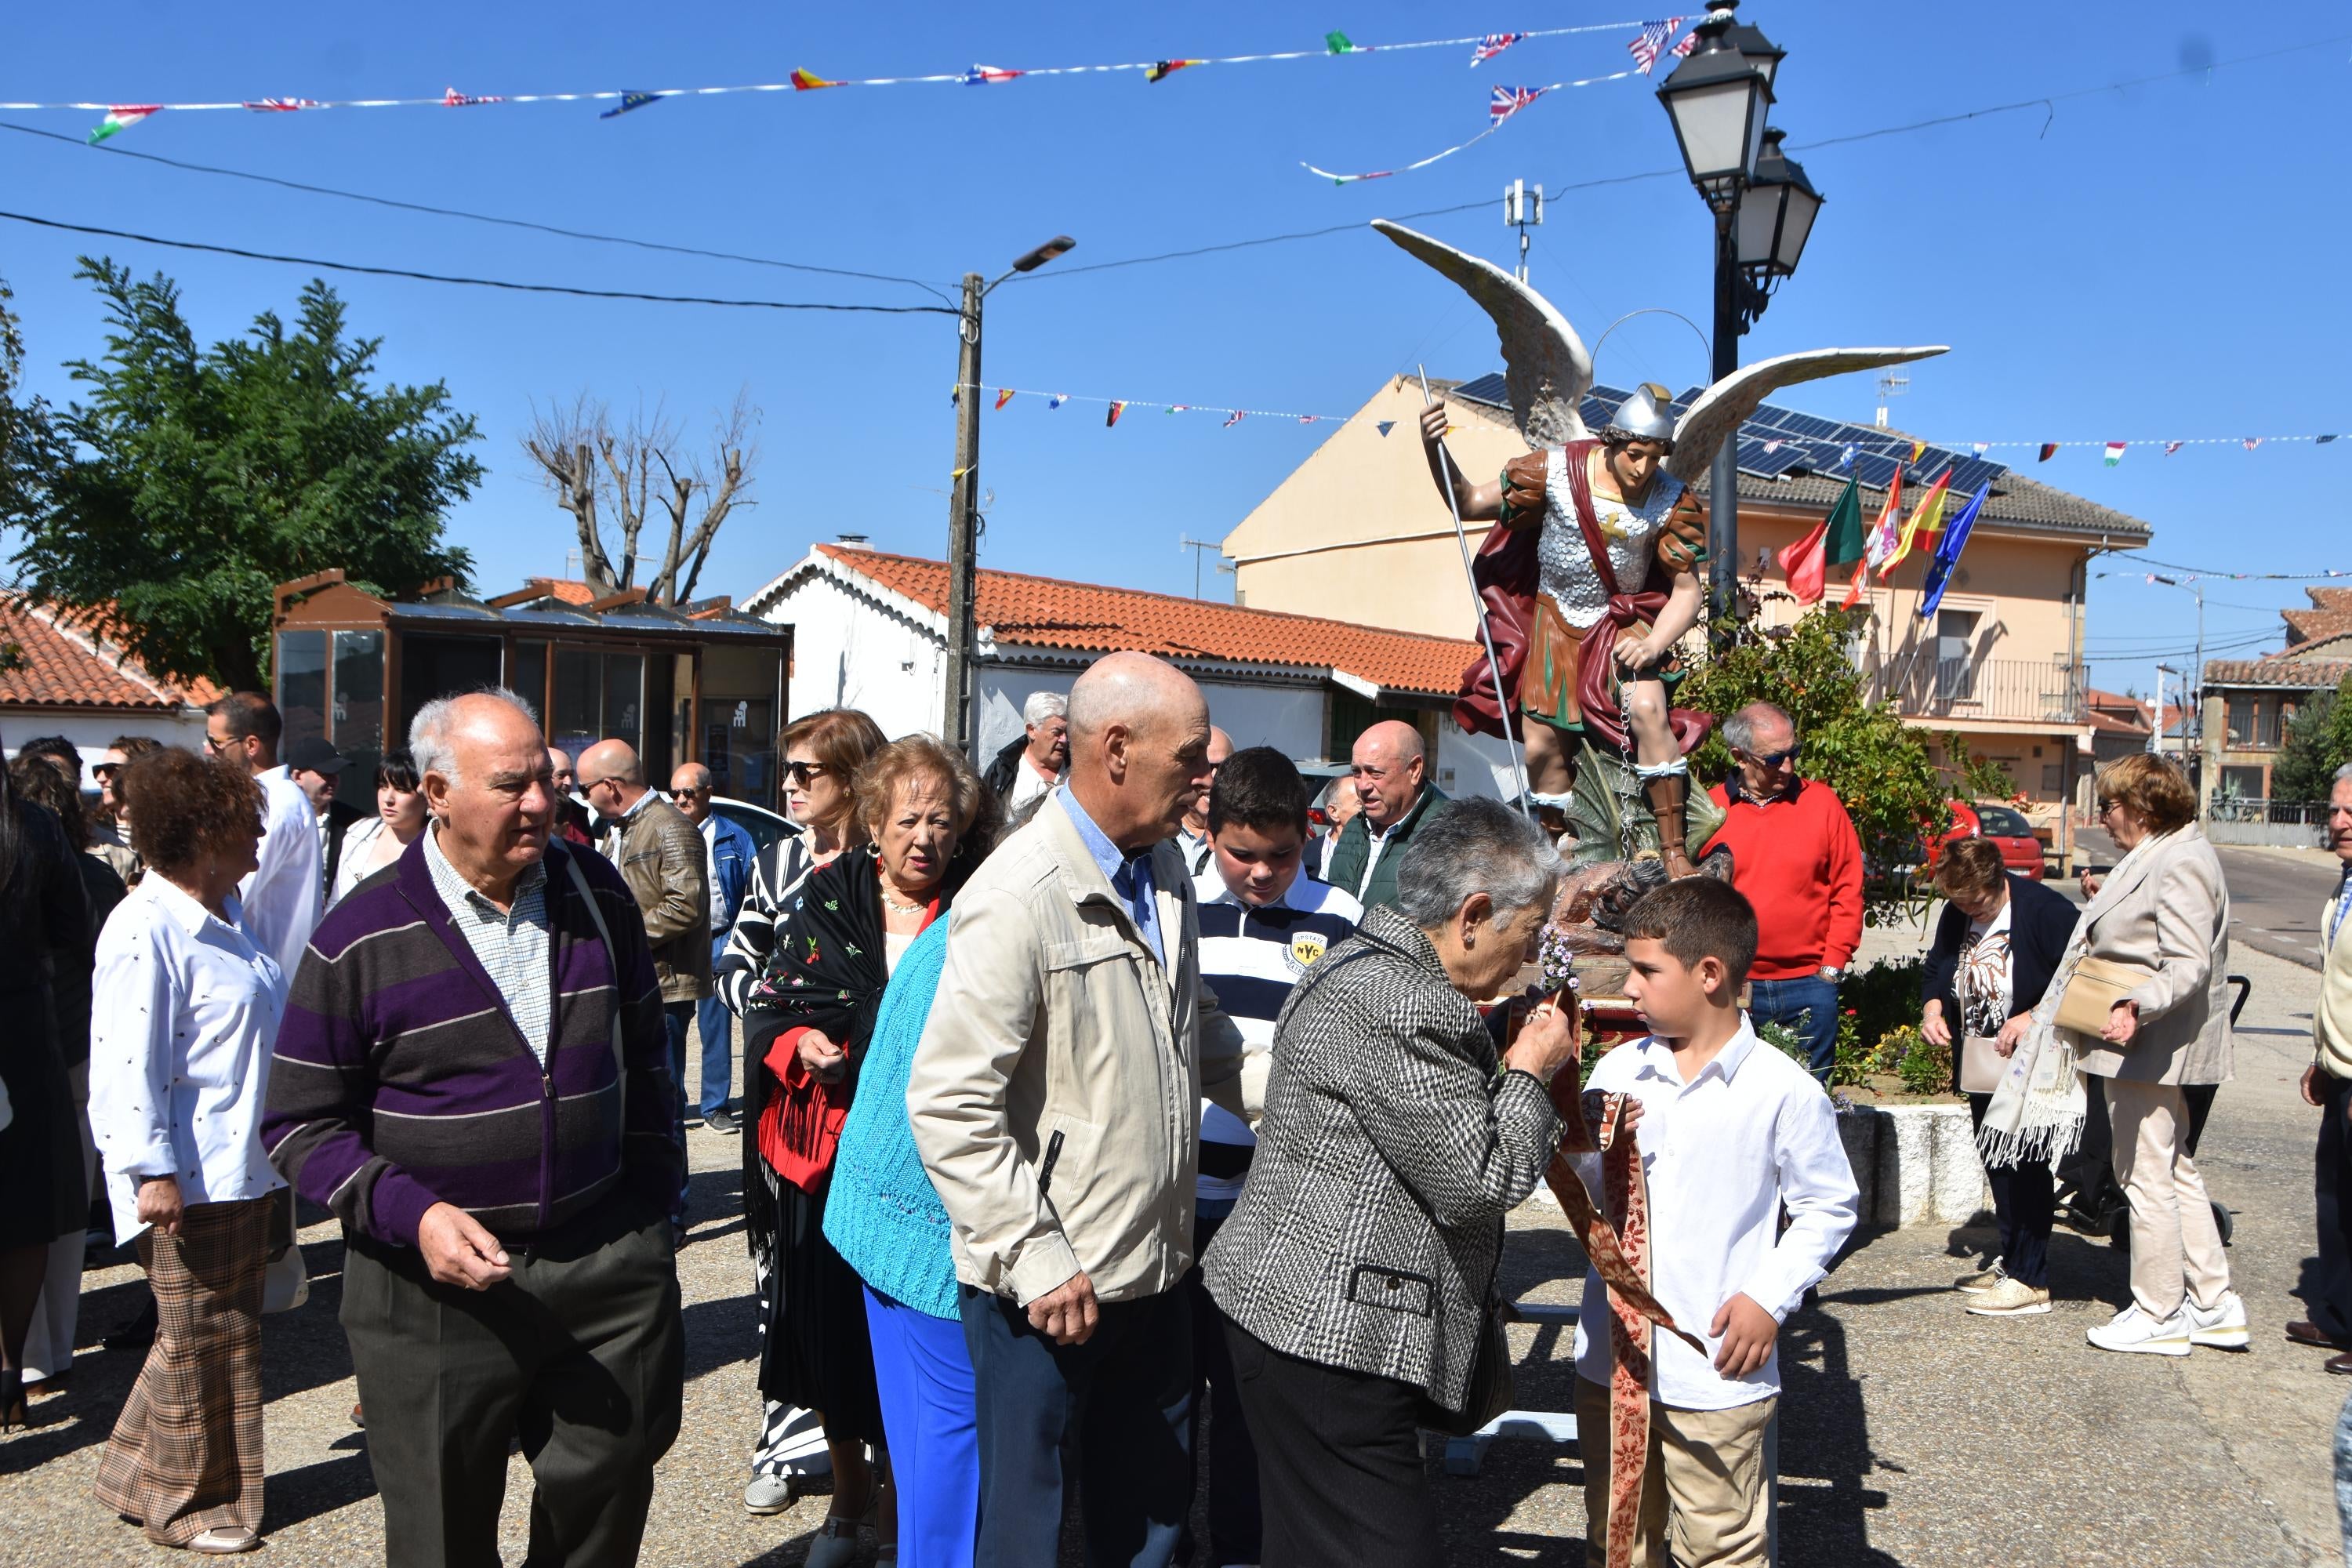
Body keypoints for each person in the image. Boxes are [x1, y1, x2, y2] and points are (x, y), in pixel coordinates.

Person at [263, 689, 684, 1568]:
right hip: (431, 1290)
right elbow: (298, 1122)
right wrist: (412, 1214)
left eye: (544, 779)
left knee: (603, 1508)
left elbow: (647, 1056)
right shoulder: (360, 933)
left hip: (602, 1261)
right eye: (511, 784)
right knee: (440, 1535)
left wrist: (649, 1214)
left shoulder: (595, 891)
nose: (539, 801)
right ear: (438, 792)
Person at [909, 650, 1250, 1568]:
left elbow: (1199, 1024)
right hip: (1049, 1289)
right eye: (1190, 757)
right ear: (1115, 750)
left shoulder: (1163, 863)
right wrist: (1036, 1252)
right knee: (1027, 1529)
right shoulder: (1015, 895)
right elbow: (949, 1100)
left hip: (1156, 1264)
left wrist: (1306, 1093)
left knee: (1149, 1511)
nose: (1205, 777)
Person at [1203, 798, 1573, 1566]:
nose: (1529, 958)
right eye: (1528, 932)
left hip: (1287, 1312)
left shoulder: (1356, 955)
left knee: (1307, 1544)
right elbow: (1482, 1176)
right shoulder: (1407, 1001)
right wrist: (1532, 1070)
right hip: (1332, 1339)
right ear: (1473, 914)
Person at [743, 735, 995, 1566]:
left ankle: (899, 1507)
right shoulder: (830, 894)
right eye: (909, 818)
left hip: (927, 1166)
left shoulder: (980, 904)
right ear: (876, 822)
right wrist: (804, 1041)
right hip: (827, 1160)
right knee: (830, 1338)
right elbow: (773, 1002)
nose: (925, 835)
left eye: (942, 820)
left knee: (920, 1360)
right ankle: (848, 1500)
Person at [1573, 877, 1858, 1568]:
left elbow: (1829, 1205)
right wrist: (1582, 1143)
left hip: (1717, 1369)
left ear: (1710, 974)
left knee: (1722, 1546)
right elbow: (1589, 1201)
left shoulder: (1782, 1088)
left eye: (1645, 971)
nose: (1629, 989)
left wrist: (1770, 1296)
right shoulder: (1617, 1069)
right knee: (1618, 1542)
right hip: (1614, 1361)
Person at [86, 747, 282, 1553]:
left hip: (239, 1164)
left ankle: (136, 1475)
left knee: (204, 1333)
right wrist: (151, 1169)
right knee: (204, 1339)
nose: (260, 845)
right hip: (188, 1174)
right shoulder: (146, 927)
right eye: (247, 830)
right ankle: (189, 1505)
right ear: (205, 835)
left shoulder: (226, 917)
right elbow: (127, 1058)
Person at [1182, 746, 1362, 1568]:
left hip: (1276, 1206)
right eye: (1241, 853)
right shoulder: (1174, 907)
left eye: (1281, 855)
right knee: (1168, 1391)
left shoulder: (1342, 918)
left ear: (1308, 837)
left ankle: (1244, 1548)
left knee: (1252, 1394)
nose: (1261, 873)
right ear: (1207, 830)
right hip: (1175, 1202)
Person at [1417, 383, 1709, 871]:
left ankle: (1673, 851)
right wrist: (1434, 447)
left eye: (1654, 458)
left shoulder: (1671, 499)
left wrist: (1656, 642)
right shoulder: (1552, 471)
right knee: (1543, 746)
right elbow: (1466, 502)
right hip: (1554, 626)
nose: (1643, 469)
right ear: (1612, 443)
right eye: (1635, 455)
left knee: (1648, 709)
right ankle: (1554, 856)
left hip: (1622, 626)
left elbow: (1687, 590)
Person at [718, 707, 887, 1515]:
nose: (787, 785)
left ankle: (884, 1471)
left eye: (805, 772)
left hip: (873, 1108)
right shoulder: (777, 860)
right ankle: (788, 1446)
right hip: (788, 1101)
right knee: (783, 1281)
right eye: (785, 770)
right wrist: (788, 1019)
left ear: (853, 779)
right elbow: (736, 964)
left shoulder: (895, 862)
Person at [2012, 753, 2234, 1356]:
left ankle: (2159, 1310)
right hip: (2144, 1045)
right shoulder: (2165, 851)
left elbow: (2189, 962)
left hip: (2148, 1043)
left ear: (2142, 805)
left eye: (2108, 806)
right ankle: (2214, 1302)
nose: (2101, 817)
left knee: (2145, 1173)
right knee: (2174, 1165)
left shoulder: (2182, 858)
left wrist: (2137, 1003)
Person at [822, 913, 972, 1568]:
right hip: (925, 1223)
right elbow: (952, 1107)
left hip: (904, 1212)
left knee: (932, 1448)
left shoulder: (966, 914)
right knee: (952, 1450)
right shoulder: (1001, 917)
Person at [1919, 836, 2078, 1317]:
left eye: (1977, 902)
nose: (1969, 911)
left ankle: (2032, 1278)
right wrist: (1933, 1008)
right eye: (1959, 903)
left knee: (2027, 1166)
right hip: (1983, 1057)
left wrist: (2033, 1015)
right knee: (1998, 1161)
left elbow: (2081, 975)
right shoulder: (1959, 912)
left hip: (2034, 1060)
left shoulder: (2045, 910)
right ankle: (2014, 1262)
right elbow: (1939, 965)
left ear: (1998, 881)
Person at [9, 755, 125, 1399]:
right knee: (54, 1208)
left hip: (55, 1041)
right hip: (60, 1043)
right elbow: (82, 943)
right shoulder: (81, 868)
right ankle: (42, 1350)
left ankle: (27, 1355)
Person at [0, 733, 96, 1434]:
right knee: (27, 1204)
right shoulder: (30, 825)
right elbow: (74, 931)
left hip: (25, 1028)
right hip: (24, 1030)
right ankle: (9, 1364)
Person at [579, 738, 710, 1234]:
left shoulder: (670, 827)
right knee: (636, 1094)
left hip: (666, 987)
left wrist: (620, 938)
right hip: (636, 980)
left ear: (611, 786)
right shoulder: (624, 828)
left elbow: (685, 906)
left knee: (664, 1096)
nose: (584, 796)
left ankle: (671, 1207)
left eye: (587, 787)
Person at [1699, 702, 1863, 1084]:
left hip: (1810, 984)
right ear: (1739, 757)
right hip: (1731, 989)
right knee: (1734, 1105)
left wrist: (1831, 968)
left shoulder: (1822, 803)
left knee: (1810, 1105)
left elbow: (1848, 887)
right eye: (1775, 759)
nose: (1788, 767)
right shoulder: (1708, 812)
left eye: (1794, 753)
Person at [205, 692, 323, 982]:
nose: (208, 751)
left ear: (251, 745)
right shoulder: (265, 798)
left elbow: (227, 890)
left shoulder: (277, 803)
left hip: (270, 976)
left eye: (216, 743)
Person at [2298, 764, 2352, 1370]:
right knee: (2336, 1197)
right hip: (2338, 1063)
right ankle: (2339, 1316)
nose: (2339, 823)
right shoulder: (2345, 883)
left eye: (2350, 814)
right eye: (2335, 811)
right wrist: (2322, 1059)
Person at [671, 761, 757, 1134]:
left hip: (719, 937)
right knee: (671, 1026)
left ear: (708, 793)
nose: (680, 800)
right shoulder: (664, 832)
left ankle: (716, 1106)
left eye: (688, 793)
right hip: (676, 944)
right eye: (674, 793)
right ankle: (672, 1104)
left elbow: (753, 887)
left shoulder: (733, 836)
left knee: (716, 1027)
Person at [1322, 720, 1454, 911]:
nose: (1362, 785)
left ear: (1414, 769)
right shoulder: (1354, 828)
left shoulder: (1449, 832)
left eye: (1375, 772)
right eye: (1357, 772)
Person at [328, 750, 429, 909]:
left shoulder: (435, 848)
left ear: (425, 796)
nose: (388, 799)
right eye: (383, 787)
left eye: (401, 789)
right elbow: (336, 902)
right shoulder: (358, 833)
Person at [285, 735, 364, 906]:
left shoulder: (354, 823)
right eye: (326, 773)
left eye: (336, 774)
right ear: (298, 776)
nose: (334, 780)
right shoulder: (278, 820)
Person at [981, 689, 1070, 815]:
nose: (1064, 740)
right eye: (1057, 733)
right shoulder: (1002, 771)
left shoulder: (1078, 768)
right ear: (1031, 730)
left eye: (1067, 732)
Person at [91, 735, 163, 887]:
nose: (101, 778)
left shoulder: (166, 831)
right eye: (98, 770)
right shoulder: (92, 831)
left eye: (110, 770)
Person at [1173, 724, 1234, 876]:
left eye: (1223, 768)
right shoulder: (1157, 837)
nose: (1212, 779)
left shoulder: (1245, 837)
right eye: (1206, 766)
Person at [1301, 775, 1358, 883]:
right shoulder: (1305, 853)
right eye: (1360, 803)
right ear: (1334, 812)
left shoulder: (1377, 851)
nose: (1368, 808)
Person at [548, 746, 596, 849]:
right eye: (561, 775)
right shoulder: (536, 817)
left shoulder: (579, 812)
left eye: (571, 775)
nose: (568, 782)